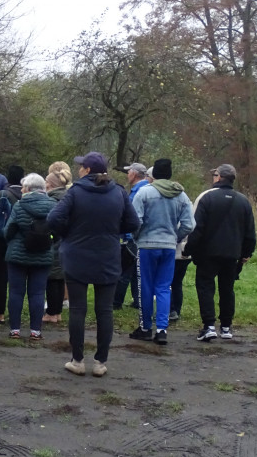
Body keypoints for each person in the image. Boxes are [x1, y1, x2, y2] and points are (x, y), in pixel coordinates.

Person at [46, 152, 139, 377]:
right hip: (107, 256)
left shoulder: (76, 192)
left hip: (76, 255)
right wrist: (112, 231)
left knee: (78, 309)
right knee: (104, 310)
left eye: (81, 167)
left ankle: (77, 360)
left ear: (87, 170)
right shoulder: (118, 192)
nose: (78, 170)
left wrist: (68, 234)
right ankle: (100, 362)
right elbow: (133, 222)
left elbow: (53, 219)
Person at [183, 164, 257, 342]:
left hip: (208, 253)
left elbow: (197, 228)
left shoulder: (207, 198)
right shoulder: (243, 200)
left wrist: (188, 249)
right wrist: (247, 253)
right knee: (227, 289)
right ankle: (226, 327)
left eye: (214, 174)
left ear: (219, 177)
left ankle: (209, 326)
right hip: (232, 254)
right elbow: (249, 231)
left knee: (205, 287)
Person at [130, 158, 194, 345]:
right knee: (165, 287)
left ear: (154, 174)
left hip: (148, 246)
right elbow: (189, 224)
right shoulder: (180, 194)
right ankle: (162, 329)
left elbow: (136, 221)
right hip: (168, 246)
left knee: (146, 287)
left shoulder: (144, 192)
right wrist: (175, 237)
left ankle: (145, 327)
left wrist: (137, 237)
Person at [3, 173, 55, 340]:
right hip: (43, 254)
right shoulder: (54, 205)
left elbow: (8, 230)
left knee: (16, 292)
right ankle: (35, 331)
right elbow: (59, 230)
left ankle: (15, 330)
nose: (22, 190)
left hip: (18, 255)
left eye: (24, 187)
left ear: (28, 189)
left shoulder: (19, 205)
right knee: (38, 293)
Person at [0, 164, 25, 326]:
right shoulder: (27, 195)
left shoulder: (3, 193)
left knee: (0, 277)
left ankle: (1, 314)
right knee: (17, 279)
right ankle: (15, 313)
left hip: (1, 239)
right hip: (20, 240)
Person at [114, 162, 149, 310]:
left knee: (124, 272)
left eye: (129, 172)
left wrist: (128, 235)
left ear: (134, 174)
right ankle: (137, 300)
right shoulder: (147, 188)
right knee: (137, 272)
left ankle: (116, 303)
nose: (127, 174)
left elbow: (133, 217)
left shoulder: (138, 192)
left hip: (133, 238)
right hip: (144, 237)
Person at [42, 166, 72, 324]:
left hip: (55, 242)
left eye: (46, 181)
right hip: (67, 242)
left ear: (51, 184)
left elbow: (51, 221)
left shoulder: (52, 200)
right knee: (60, 278)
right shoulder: (69, 197)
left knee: (52, 278)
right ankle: (58, 311)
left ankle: (52, 313)